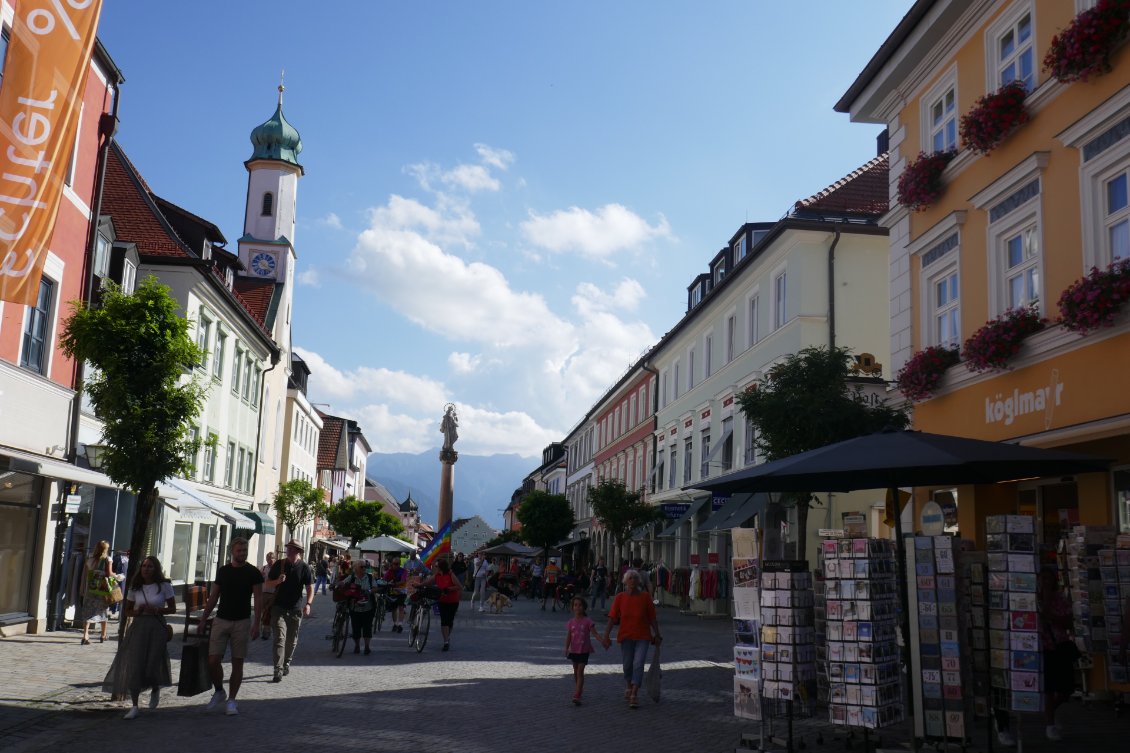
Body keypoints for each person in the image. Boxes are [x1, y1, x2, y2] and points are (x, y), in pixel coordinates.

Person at [104, 555, 175, 719]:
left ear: (156, 569)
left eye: (150, 566)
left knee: (152, 663)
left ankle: (155, 686)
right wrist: (138, 611)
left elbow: (172, 608)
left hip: (157, 626)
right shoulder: (135, 587)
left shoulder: (164, 586)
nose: (146, 569)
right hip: (139, 627)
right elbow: (127, 611)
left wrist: (157, 610)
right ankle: (135, 705)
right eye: (144, 566)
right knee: (135, 664)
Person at [199, 537, 263, 716]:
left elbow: (258, 599)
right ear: (232, 552)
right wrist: (204, 618)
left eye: (244, 550)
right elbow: (213, 597)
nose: (242, 553)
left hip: (242, 622)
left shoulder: (253, 573)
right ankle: (219, 690)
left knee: (237, 662)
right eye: (239, 550)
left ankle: (232, 700)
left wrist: (256, 622)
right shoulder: (223, 571)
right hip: (221, 620)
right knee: (212, 660)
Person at [602, 569, 662, 709]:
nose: (632, 581)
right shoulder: (620, 598)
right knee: (627, 664)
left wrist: (657, 634)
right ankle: (629, 686)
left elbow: (652, 618)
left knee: (639, 663)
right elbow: (612, 618)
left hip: (643, 636)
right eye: (630, 579)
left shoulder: (645, 597)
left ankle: (634, 693)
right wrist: (606, 636)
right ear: (625, 582)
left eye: (635, 578)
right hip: (626, 635)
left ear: (639, 581)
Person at [265, 539, 314, 682]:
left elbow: (310, 587)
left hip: (296, 609)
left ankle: (286, 662)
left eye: (292, 549)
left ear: (298, 551)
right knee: (279, 638)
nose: (289, 551)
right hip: (278, 607)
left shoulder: (304, 567)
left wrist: (309, 604)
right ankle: (277, 669)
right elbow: (267, 583)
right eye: (288, 548)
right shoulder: (279, 565)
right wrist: (277, 582)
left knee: (291, 641)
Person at [1038, 566, 1074, 742]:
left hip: (1060, 645)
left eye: (1048, 578)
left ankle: (1049, 711)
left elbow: (1068, 622)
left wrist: (1051, 615)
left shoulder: (1060, 598)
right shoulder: (1034, 599)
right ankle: (1050, 723)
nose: (1045, 582)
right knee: (1049, 689)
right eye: (1042, 578)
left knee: (1066, 689)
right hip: (1044, 648)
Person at [564, 596, 604, 705]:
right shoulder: (571, 622)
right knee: (575, 670)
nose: (577, 607)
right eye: (575, 605)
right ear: (572, 607)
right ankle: (579, 689)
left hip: (584, 650)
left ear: (584, 607)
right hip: (574, 650)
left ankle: (577, 694)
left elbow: (594, 633)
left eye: (580, 605)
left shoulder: (588, 621)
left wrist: (602, 640)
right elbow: (569, 636)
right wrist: (566, 647)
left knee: (580, 671)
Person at [421, 558, 463, 651]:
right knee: (444, 621)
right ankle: (446, 642)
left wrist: (448, 589)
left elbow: (459, 586)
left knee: (450, 621)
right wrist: (420, 585)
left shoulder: (451, 575)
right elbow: (428, 582)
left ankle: (447, 637)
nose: (435, 568)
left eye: (436, 566)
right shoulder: (437, 575)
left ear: (441, 567)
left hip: (453, 601)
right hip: (442, 600)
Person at [340, 559, 378, 655]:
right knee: (356, 627)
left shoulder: (369, 577)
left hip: (368, 607)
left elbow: (375, 588)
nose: (364, 568)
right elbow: (343, 583)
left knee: (367, 627)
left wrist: (369, 591)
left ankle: (366, 646)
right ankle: (357, 645)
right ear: (356, 568)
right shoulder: (351, 577)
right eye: (362, 567)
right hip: (355, 607)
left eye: (365, 566)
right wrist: (337, 584)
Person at [81, 540, 113, 645]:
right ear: (106, 549)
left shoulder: (90, 559)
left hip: (90, 589)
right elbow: (109, 574)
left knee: (88, 611)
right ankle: (103, 635)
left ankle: (85, 635)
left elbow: (85, 575)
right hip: (102, 590)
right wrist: (116, 576)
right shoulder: (108, 559)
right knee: (103, 611)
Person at [382, 554, 409, 633]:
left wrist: (395, 584)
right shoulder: (390, 571)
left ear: (399, 564)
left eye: (397, 564)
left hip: (401, 591)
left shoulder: (404, 571)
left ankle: (400, 624)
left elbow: (403, 581)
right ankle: (395, 624)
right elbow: (384, 579)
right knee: (394, 609)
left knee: (401, 608)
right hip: (392, 591)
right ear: (392, 564)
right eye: (394, 564)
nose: (395, 565)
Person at [259, 551, 276, 641]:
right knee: (262, 612)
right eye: (268, 559)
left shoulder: (277, 569)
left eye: (271, 559)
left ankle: (266, 632)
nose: (270, 561)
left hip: (273, 594)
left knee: (268, 614)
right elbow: (259, 580)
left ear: (275, 559)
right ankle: (261, 630)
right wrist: (260, 576)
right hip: (264, 593)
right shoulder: (264, 568)